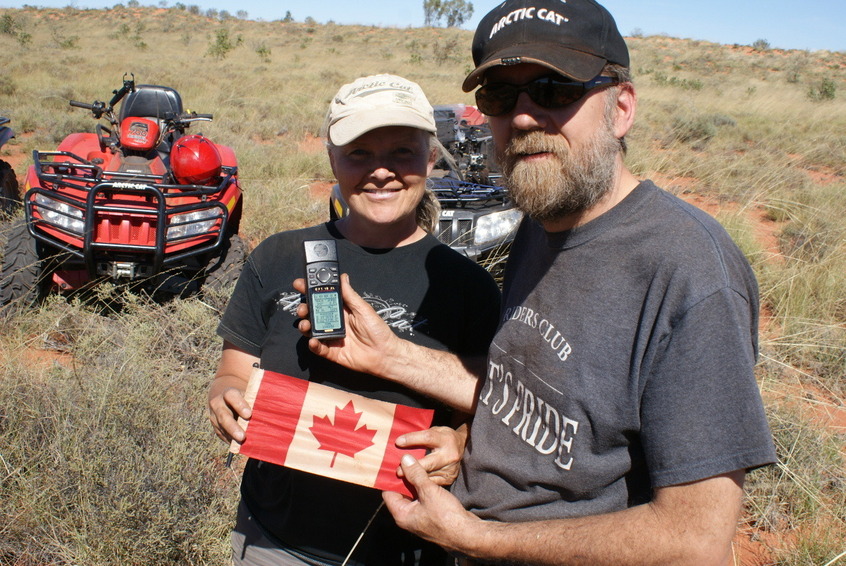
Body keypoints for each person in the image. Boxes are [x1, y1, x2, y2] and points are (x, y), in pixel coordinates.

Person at [297, 1, 778, 564]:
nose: (523, 117)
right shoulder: (543, 218)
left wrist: (477, 538)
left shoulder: (689, 271)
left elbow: (695, 540)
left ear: (621, 109)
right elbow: (527, 388)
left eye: (554, 89)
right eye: (500, 95)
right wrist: (391, 357)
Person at [207, 74, 501, 566]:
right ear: (331, 159)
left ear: (431, 157)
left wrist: (461, 443)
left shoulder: (467, 285)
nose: (381, 172)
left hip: (404, 542)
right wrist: (224, 397)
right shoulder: (278, 257)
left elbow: (489, 404)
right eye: (359, 153)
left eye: (403, 152)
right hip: (273, 538)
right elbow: (232, 369)